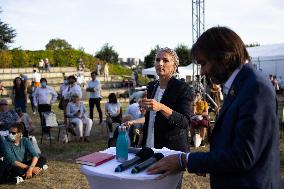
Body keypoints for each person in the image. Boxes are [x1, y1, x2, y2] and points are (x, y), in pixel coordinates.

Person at [146, 26, 280, 189]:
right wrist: (208, 162)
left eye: (203, 63)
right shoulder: (242, 84)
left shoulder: (256, 88)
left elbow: (243, 156)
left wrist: (186, 160)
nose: (202, 71)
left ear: (223, 57)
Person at [140, 47, 192, 152]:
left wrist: (161, 107)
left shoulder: (182, 87)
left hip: (171, 149)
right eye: (157, 60)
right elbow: (150, 118)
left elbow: (185, 122)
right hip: (150, 145)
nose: (160, 63)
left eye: (165, 60)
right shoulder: (151, 86)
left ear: (174, 67)